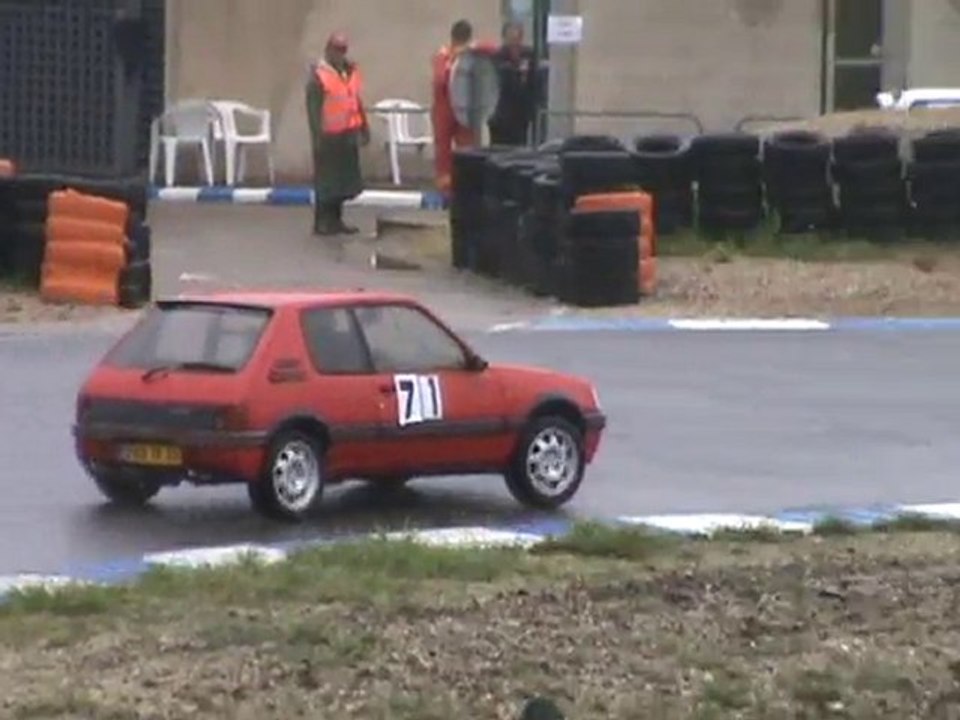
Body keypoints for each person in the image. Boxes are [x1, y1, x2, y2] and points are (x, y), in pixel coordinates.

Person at [305, 31, 371, 236]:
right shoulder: (319, 75)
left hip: (347, 132)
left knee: (342, 182)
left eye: (343, 49)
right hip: (327, 135)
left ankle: (337, 220)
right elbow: (313, 109)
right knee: (326, 181)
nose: (340, 54)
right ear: (328, 49)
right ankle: (322, 222)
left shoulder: (349, 72)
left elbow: (355, 100)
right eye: (336, 49)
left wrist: (364, 127)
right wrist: (317, 136)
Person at [431, 19, 497, 196]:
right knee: (444, 149)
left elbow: (493, 50)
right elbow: (440, 80)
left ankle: (465, 184)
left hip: (465, 107)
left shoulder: (472, 54)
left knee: (467, 149)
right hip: (445, 107)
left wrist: (472, 48)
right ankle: (445, 189)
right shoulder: (443, 55)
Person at [488, 21, 539, 147]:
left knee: (519, 148)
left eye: (518, 39)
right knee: (499, 149)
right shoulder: (497, 57)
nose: (515, 43)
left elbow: (535, 81)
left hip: (521, 114)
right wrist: (517, 73)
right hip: (501, 114)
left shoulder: (529, 55)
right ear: (505, 38)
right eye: (511, 39)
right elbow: (500, 82)